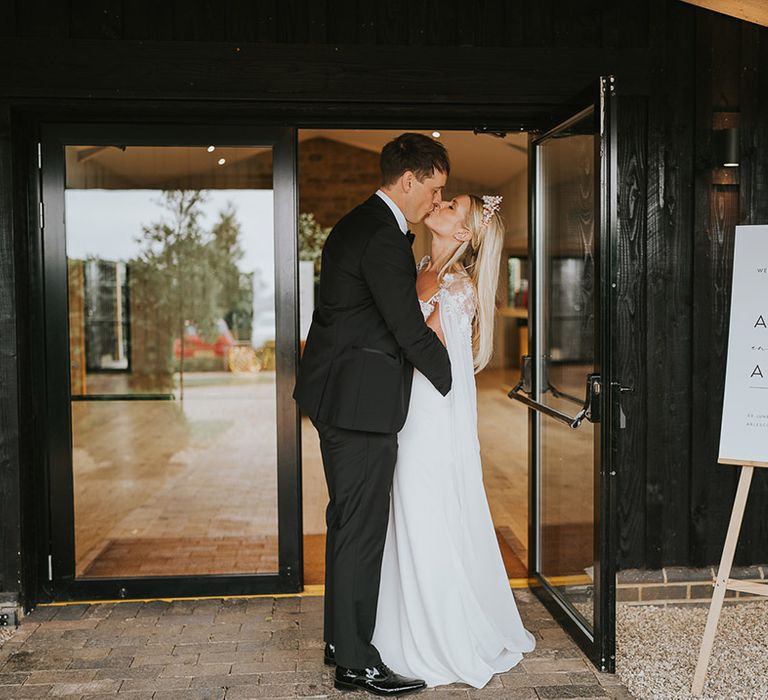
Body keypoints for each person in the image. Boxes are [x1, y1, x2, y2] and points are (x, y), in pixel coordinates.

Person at [293, 133, 453, 696]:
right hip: (360, 407)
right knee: (361, 532)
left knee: (346, 525)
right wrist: (449, 379)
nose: (435, 202)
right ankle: (357, 662)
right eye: (433, 190)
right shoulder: (382, 236)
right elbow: (407, 325)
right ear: (407, 179)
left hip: (342, 398)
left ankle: (342, 641)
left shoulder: (359, 224)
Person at [371, 193, 537, 688]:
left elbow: (424, 349)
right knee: (407, 510)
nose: (439, 204)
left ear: (463, 234)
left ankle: (440, 634)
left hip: (428, 411)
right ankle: (401, 621)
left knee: (427, 511)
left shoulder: (457, 285)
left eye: (451, 207)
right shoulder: (422, 263)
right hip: (405, 406)